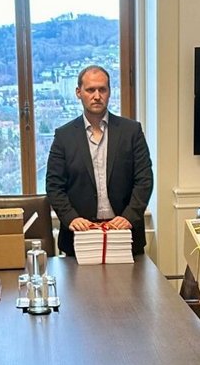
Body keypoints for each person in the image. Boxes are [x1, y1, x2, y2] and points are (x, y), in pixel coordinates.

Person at [45, 65, 154, 257]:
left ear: (109, 92)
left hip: (124, 233)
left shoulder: (131, 131)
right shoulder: (64, 136)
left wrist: (129, 217)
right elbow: (54, 186)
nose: (97, 95)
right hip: (79, 236)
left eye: (102, 89)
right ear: (79, 92)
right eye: (90, 90)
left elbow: (144, 179)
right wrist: (71, 218)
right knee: (79, 288)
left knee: (129, 288)